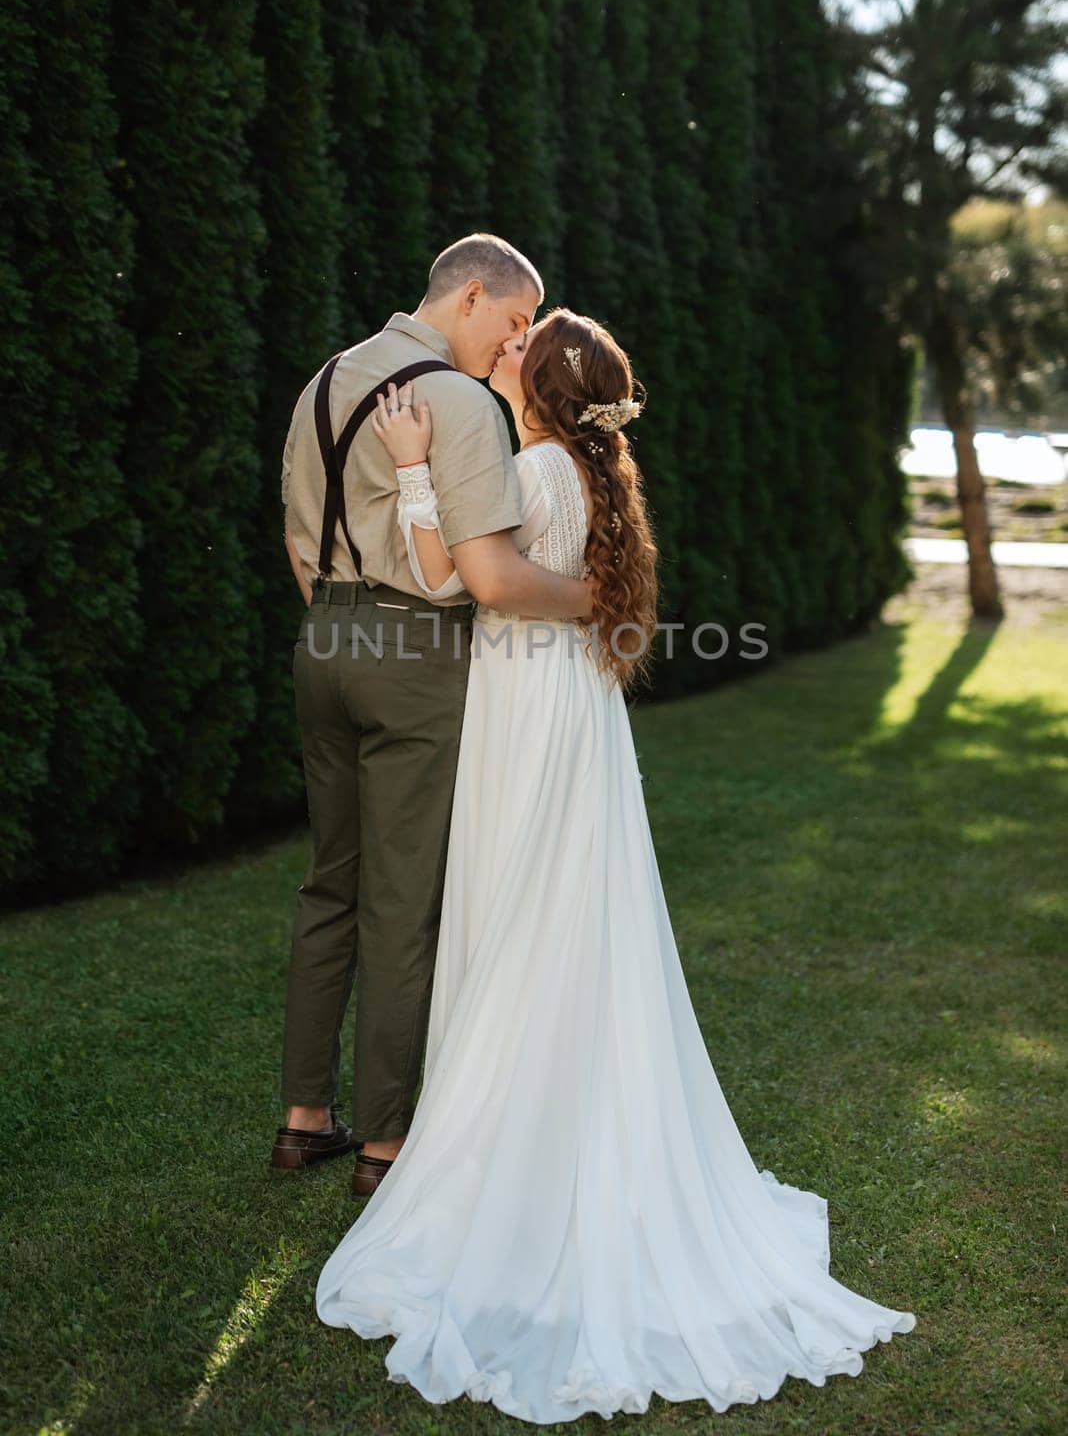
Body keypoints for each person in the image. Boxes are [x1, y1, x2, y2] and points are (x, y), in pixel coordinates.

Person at [314, 306, 917, 1423]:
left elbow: (461, 582)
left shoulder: (534, 470)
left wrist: (411, 469)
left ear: (538, 391)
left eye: (514, 356)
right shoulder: (592, 475)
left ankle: (513, 1150)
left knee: (518, 913)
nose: (499, 356)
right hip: (575, 717)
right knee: (565, 910)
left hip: (529, 713)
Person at [272, 235, 593, 1189]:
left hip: (323, 642)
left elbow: (297, 541)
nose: (517, 340)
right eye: (515, 319)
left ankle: (303, 1121)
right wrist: (603, 603)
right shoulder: (452, 401)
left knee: (331, 884)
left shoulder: (323, 380)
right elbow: (483, 575)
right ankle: (384, 1143)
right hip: (413, 655)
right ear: (473, 295)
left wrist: (342, 624)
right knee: (407, 902)